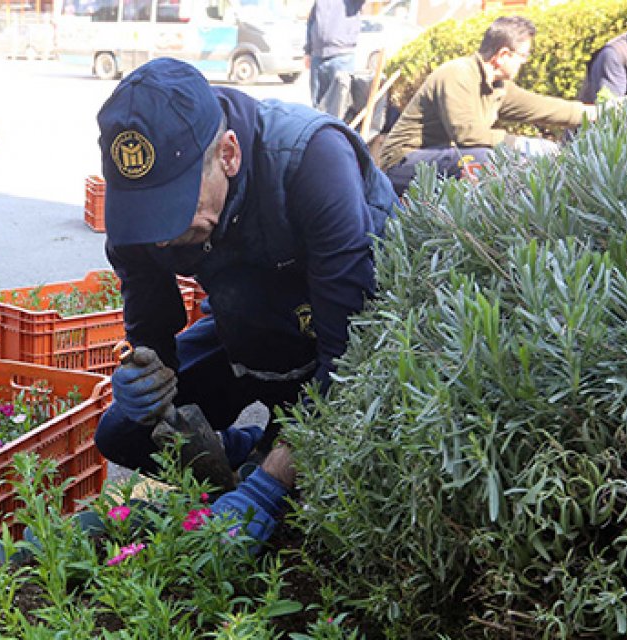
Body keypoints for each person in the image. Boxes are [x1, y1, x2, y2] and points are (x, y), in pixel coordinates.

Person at [94, 58, 396, 542]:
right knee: (122, 432)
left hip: (330, 339)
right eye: (148, 212)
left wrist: (272, 484)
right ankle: (239, 451)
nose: (164, 235)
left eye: (174, 206)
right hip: (244, 328)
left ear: (228, 155)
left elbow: (352, 356)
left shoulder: (312, 161)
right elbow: (150, 324)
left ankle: (269, 463)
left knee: (326, 503)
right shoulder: (140, 215)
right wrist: (146, 375)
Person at [378, 16, 597, 196]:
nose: (524, 62)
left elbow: (544, 107)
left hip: (440, 159)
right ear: (503, 55)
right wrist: (521, 143)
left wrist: (596, 112)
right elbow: (468, 135)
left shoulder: (498, 87)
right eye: (523, 56)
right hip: (403, 163)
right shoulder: (457, 74)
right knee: (484, 159)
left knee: (497, 160)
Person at [306, 0, 365, 114]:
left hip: (341, 57)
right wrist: (308, 51)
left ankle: (338, 131)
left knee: (340, 106)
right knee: (317, 107)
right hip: (318, 58)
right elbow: (311, 23)